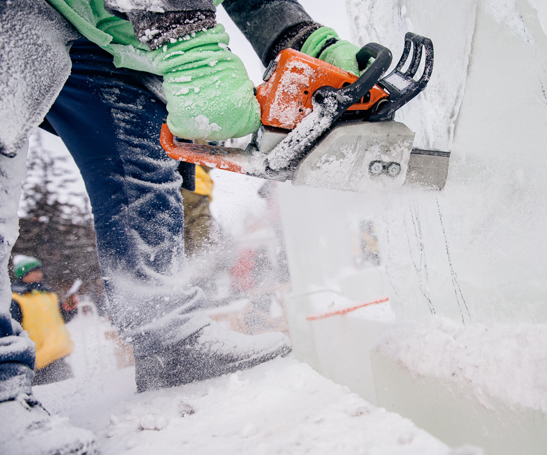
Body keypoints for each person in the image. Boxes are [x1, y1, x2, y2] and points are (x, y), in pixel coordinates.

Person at [0, 1, 365, 453]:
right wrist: (187, 39)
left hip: (108, 36)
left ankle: (167, 342)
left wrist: (305, 39)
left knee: (139, 153)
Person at [9, 256, 76, 386]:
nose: (39, 274)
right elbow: (12, 331)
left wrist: (69, 309)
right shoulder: (15, 299)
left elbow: (60, 319)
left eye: (39, 271)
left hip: (59, 355)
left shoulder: (48, 294)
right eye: (34, 271)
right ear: (23, 274)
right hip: (37, 362)